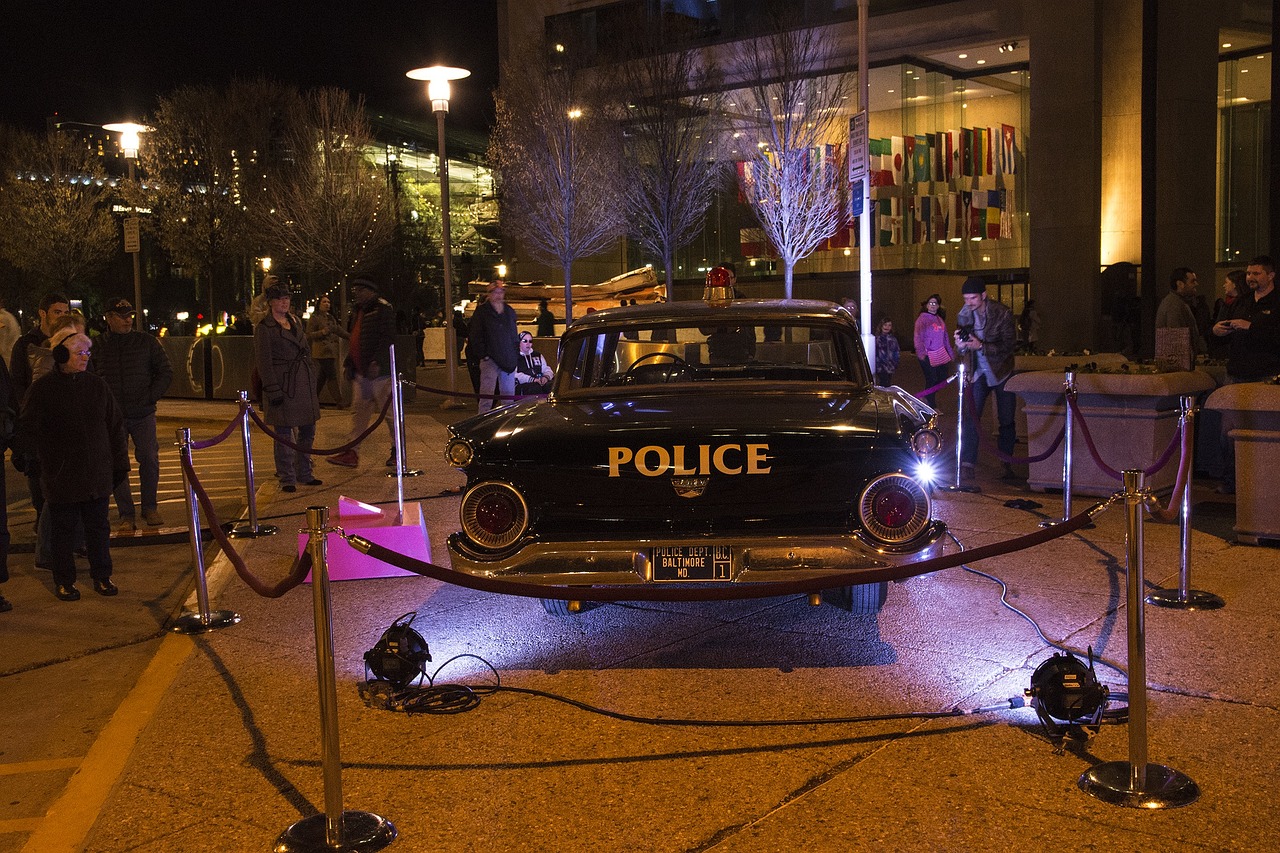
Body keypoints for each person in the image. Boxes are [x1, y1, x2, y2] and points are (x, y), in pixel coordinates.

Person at [17, 330, 128, 601]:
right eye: (79, 353)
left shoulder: (97, 386)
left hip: (96, 474)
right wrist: (33, 463)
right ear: (61, 354)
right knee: (63, 532)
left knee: (98, 529)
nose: (85, 357)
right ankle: (64, 580)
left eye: (87, 352)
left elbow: (115, 427)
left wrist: (119, 464)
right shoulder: (43, 389)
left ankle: (102, 576)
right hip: (62, 475)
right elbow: (27, 430)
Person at [93, 297, 173, 531]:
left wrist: (150, 397)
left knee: (149, 458)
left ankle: (150, 506)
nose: (128, 320)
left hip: (142, 412)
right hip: (112, 416)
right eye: (122, 316)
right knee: (118, 464)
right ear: (109, 318)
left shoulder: (146, 342)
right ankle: (126, 514)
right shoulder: (98, 345)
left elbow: (165, 372)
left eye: (130, 316)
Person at [255, 283, 322, 492]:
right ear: (271, 302)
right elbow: (263, 363)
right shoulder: (264, 328)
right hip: (283, 384)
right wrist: (272, 390)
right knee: (283, 434)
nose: (284, 302)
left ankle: (305, 472)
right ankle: (287, 478)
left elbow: (305, 350)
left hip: (302, 381)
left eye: (287, 298)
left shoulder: (295, 321)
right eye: (279, 299)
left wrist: (311, 372)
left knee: (308, 429)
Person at [10, 292, 70, 527]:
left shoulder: (71, 340)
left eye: (66, 312)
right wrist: (27, 410)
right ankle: (43, 520)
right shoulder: (26, 344)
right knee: (38, 475)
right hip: (36, 420)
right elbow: (17, 382)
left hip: (64, 419)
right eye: (57, 312)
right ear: (43, 313)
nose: (62, 317)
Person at [954, 277, 1019, 486]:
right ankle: (967, 463)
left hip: (1001, 371)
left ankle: (1006, 462)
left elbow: (1009, 345)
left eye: (973, 298)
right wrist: (961, 346)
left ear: (983, 295)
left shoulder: (1002, 313)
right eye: (966, 298)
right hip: (978, 373)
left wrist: (981, 346)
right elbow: (962, 349)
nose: (969, 303)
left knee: (1006, 419)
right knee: (971, 417)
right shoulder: (964, 315)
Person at [327, 278, 397, 468]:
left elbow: (388, 338)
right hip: (361, 371)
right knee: (359, 413)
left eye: (360, 290)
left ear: (371, 291)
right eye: (355, 290)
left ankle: (397, 450)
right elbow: (355, 338)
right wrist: (350, 363)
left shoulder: (382, 309)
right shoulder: (359, 310)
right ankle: (352, 452)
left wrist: (377, 362)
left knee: (390, 414)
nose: (356, 293)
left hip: (379, 373)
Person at [468, 280, 520, 414]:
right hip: (490, 359)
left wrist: (515, 355)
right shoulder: (482, 312)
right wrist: (484, 355)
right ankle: (483, 420)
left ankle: (507, 421)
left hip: (508, 359)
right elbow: (475, 335)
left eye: (501, 291)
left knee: (508, 397)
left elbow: (514, 335)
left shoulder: (509, 311)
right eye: (495, 292)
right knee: (487, 396)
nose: (498, 295)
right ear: (489, 294)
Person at [306, 294, 348, 406]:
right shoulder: (315, 318)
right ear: (319, 304)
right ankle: (339, 401)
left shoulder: (331, 318)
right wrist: (322, 332)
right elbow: (308, 335)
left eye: (328, 302)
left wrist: (351, 337)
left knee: (322, 377)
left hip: (331, 351)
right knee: (331, 375)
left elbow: (339, 330)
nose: (327, 304)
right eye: (324, 302)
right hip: (322, 351)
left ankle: (312, 400)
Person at [913, 294, 953, 408]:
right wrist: (921, 353)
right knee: (932, 378)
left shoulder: (940, 320)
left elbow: (945, 338)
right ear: (926, 305)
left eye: (935, 303)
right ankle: (931, 405)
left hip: (940, 354)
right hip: (927, 354)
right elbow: (918, 337)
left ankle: (926, 396)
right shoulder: (922, 319)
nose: (932, 305)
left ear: (938, 306)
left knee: (943, 378)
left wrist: (950, 353)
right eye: (930, 303)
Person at [1155, 267, 1206, 356]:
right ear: (1180, 284)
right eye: (1192, 281)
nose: (1196, 284)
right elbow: (1176, 338)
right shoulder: (1174, 305)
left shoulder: (1178, 302)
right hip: (1178, 361)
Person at [1209, 270, 1247, 359]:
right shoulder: (1227, 303)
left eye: (1226, 282)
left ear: (1235, 284)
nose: (1224, 285)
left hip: (1232, 350)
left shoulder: (1242, 305)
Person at [514, 332, 553, 396]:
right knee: (535, 388)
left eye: (530, 341)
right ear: (519, 342)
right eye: (525, 341)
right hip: (524, 385)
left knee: (552, 386)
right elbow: (514, 374)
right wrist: (531, 379)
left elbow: (546, 369)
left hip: (539, 382)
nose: (528, 344)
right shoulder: (514, 357)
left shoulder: (537, 355)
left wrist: (546, 377)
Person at [875, 316, 901, 386]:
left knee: (888, 382)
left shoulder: (893, 339)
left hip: (890, 366)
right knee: (884, 382)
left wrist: (895, 362)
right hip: (880, 366)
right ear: (881, 326)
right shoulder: (877, 339)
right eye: (885, 325)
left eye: (889, 325)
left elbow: (896, 351)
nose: (887, 327)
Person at [0, 297, 19, 369]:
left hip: (5, 363)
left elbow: (1, 345)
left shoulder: (2, 319)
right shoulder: (9, 316)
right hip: (11, 360)